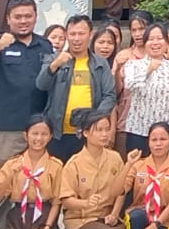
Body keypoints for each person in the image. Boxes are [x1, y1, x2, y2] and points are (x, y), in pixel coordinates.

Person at [0, 0, 51, 164]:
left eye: (28, 16)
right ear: (8, 19)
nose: (23, 21)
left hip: (39, 125)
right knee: (3, 177)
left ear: (35, 17)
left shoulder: (45, 45)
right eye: (17, 17)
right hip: (8, 126)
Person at [36, 13, 117, 161]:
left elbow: (110, 95)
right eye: (72, 34)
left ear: (90, 35)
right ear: (67, 35)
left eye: (81, 33)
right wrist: (54, 65)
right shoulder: (54, 59)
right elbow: (41, 85)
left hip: (88, 133)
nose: (77, 38)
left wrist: (94, 120)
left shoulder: (100, 63)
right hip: (58, 132)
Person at [58, 109, 132, 229]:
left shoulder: (115, 158)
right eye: (99, 130)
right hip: (81, 219)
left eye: (107, 129)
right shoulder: (74, 163)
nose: (104, 134)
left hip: (106, 218)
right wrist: (85, 203)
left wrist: (114, 214)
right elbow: (66, 199)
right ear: (85, 132)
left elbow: (121, 192)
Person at [0, 114, 62, 229]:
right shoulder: (12, 164)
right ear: (26, 135)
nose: (39, 138)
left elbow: (56, 202)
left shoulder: (56, 165)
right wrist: (10, 175)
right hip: (19, 217)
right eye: (34, 133)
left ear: (50, 137)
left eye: (44, 134)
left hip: (43, 217)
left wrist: (47, 227)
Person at [114, 121, 169, 229]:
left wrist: (155, 225)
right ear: (148, 142)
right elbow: (118, 191)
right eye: (154, 140)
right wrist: (128, 164)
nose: (158, 144)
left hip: (164, 219)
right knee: (134, 216)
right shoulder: (139, 165)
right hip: (141, 213)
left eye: (163, 139)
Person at [120, 24, 169, 154]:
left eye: (159, 38)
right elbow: (129, 85)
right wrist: (148, 70)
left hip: (166, 131)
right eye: (151, 39)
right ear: (144, 43)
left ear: (167, 43)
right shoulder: (133, 65)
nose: (155, 43)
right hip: (139, 129)